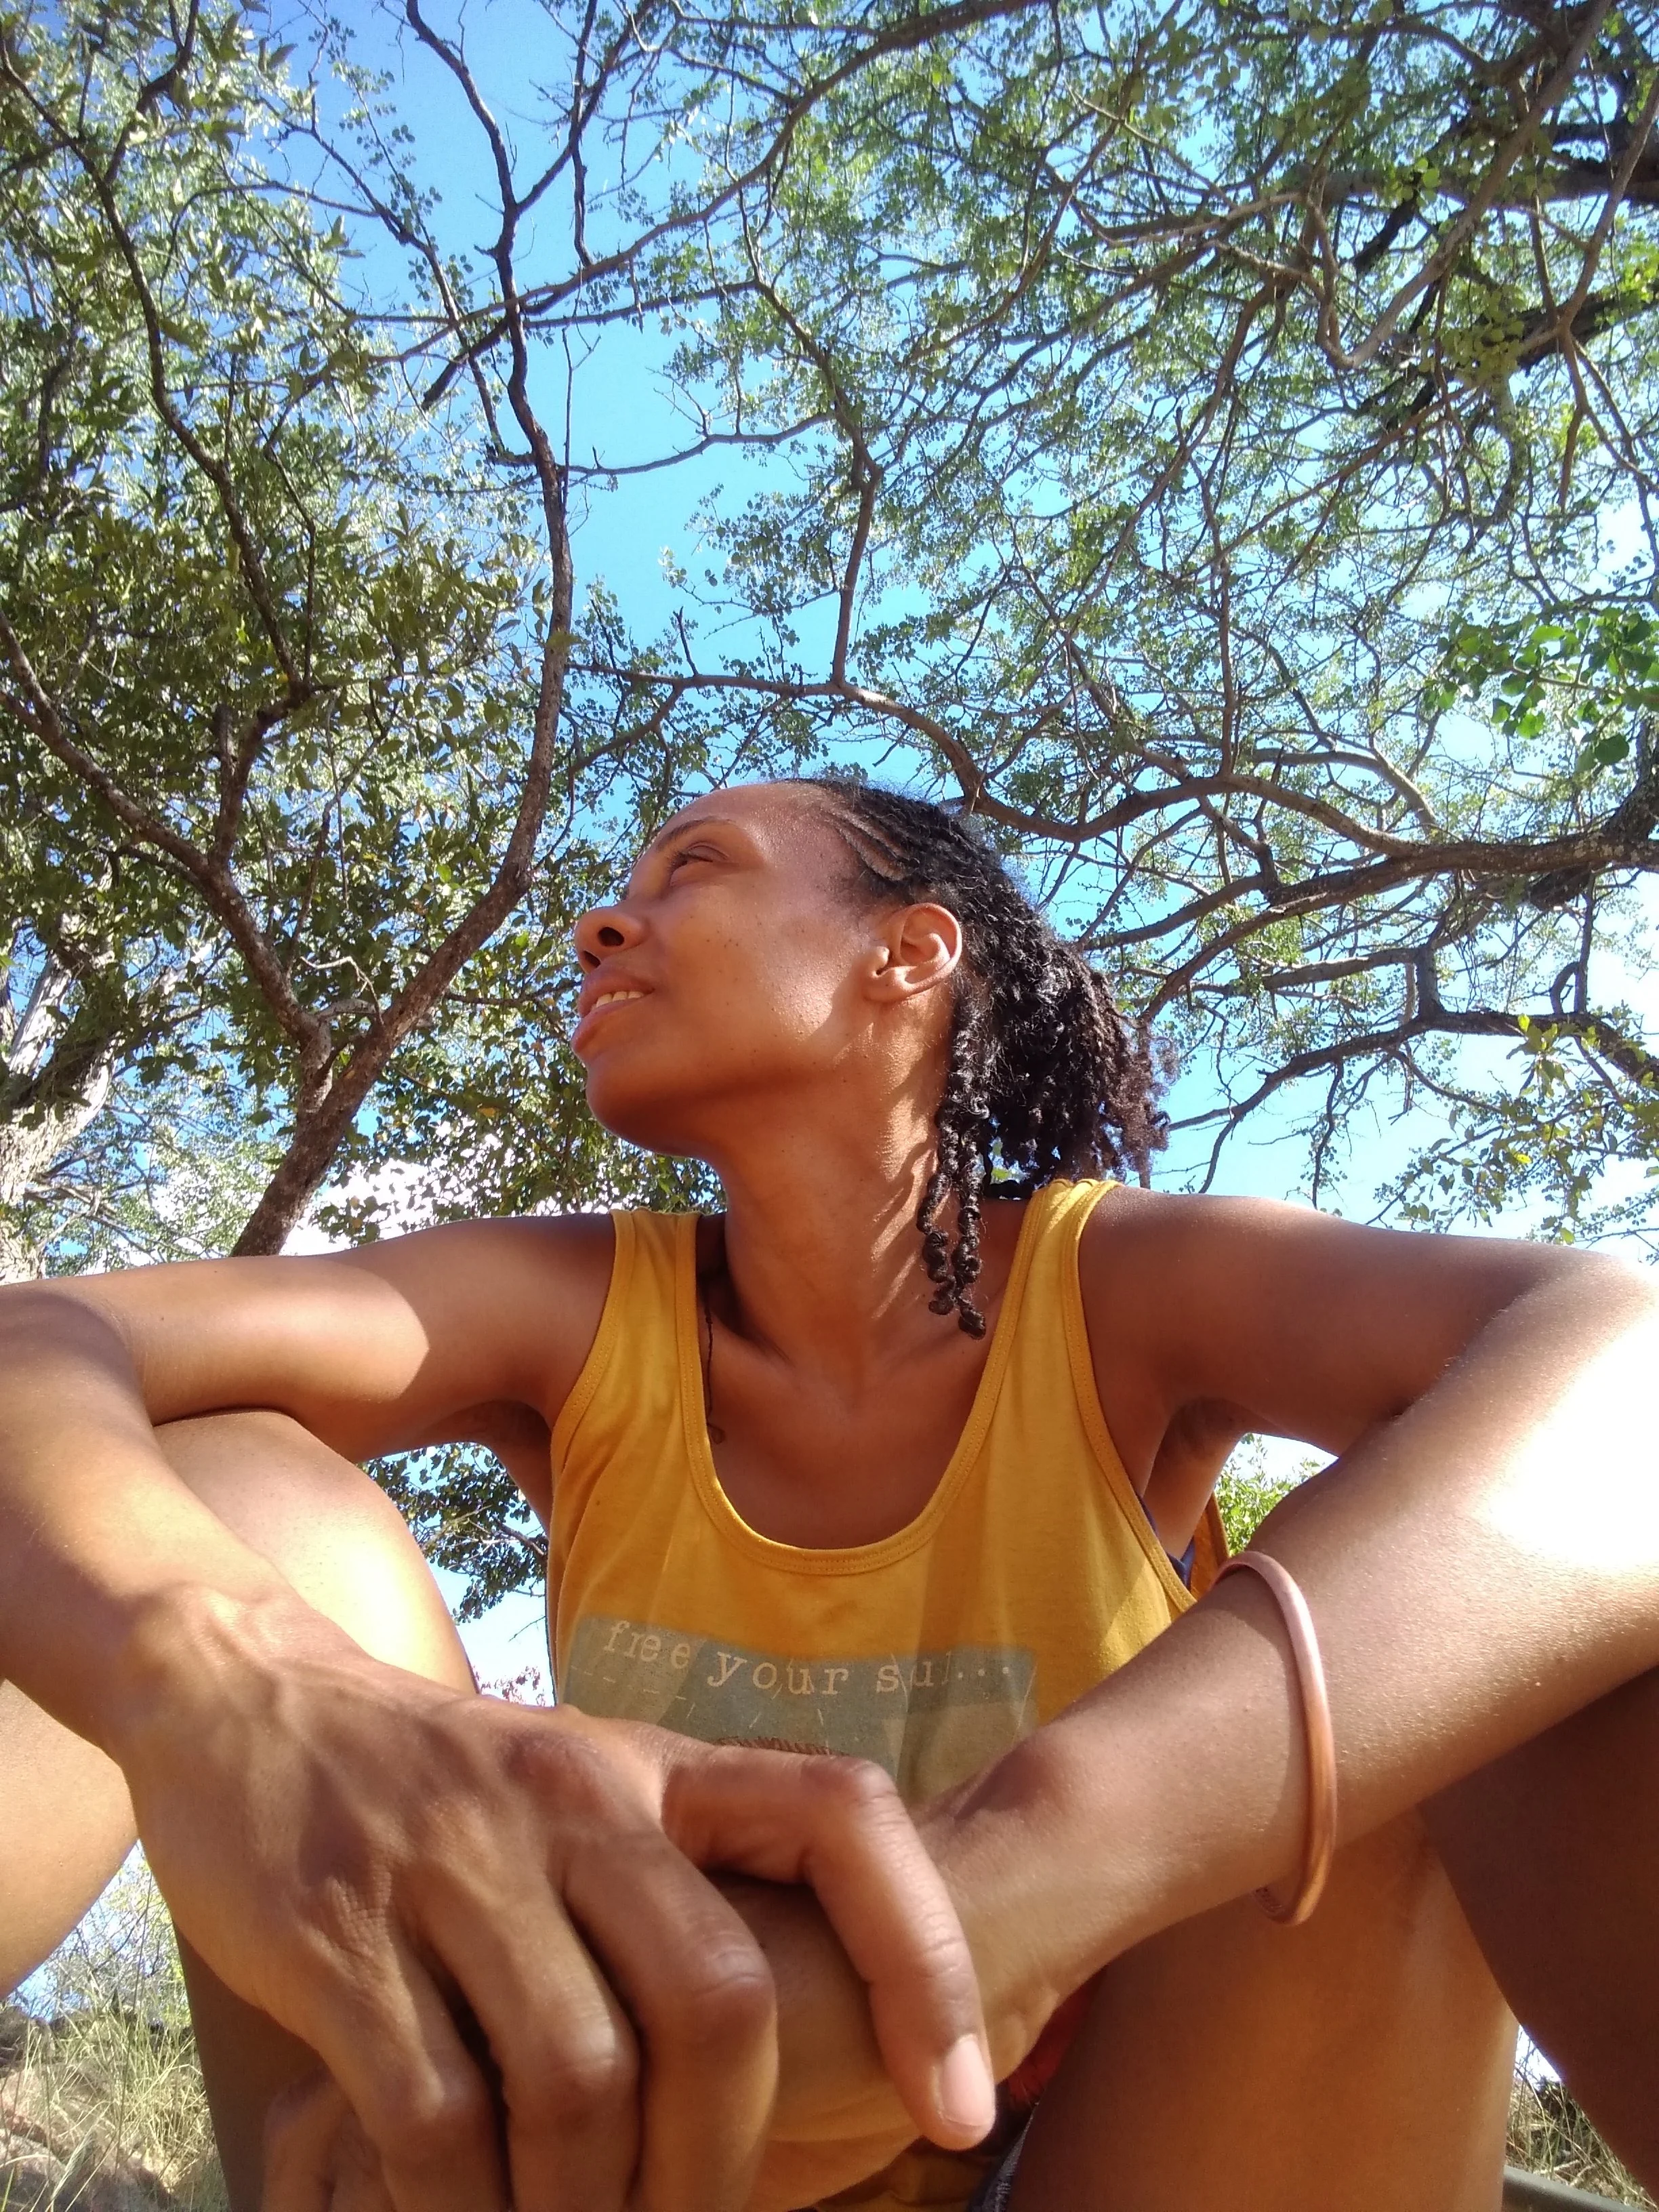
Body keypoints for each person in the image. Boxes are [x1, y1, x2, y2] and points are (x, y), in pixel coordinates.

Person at [1, 775, 1656, 2212]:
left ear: (909, 955)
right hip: (597, 2158)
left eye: (692, 871)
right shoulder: (577, 1316)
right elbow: (36, 1342)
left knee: (1486, 1643)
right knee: (217, 1497)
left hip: (1125, 2156)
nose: (603, 924)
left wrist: (996, 1890)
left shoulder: (1113, 1292)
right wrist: (225, 1684)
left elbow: (1625, 1362)